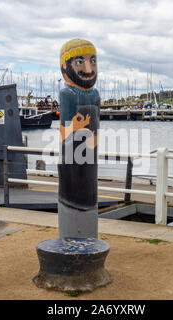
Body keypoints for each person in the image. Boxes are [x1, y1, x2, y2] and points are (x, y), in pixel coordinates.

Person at [58, 38, 100, 238]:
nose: (88, 68)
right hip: (72, 158)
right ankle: (71, 234)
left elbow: (96, 127)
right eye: (79, 62)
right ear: (65, 66)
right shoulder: (67, 94)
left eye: (93, 61)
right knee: (73, 194)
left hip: (90, 155)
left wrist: (93, 138)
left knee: (90, 191)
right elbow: (64, 131)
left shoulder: (95, 94)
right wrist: (77, 127)